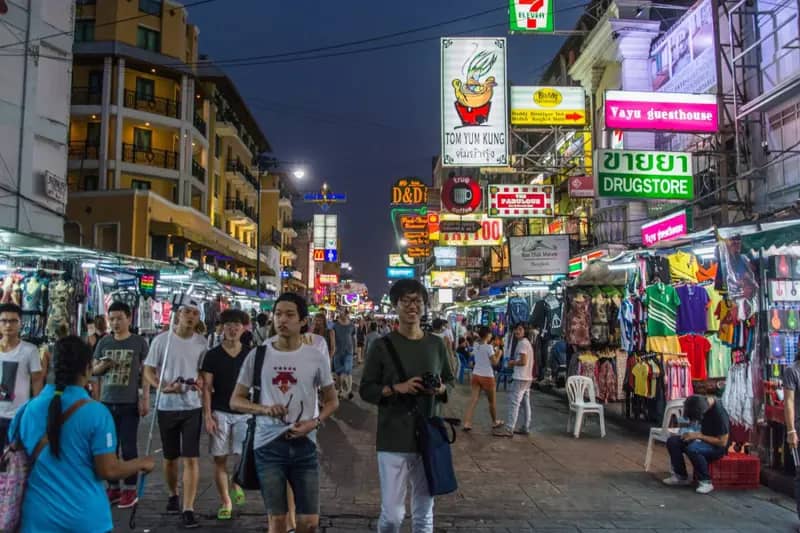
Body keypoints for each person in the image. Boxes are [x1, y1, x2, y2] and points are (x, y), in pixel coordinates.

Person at [8, 336, 155, 533]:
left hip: (37, 518)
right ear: (88, 368)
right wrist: (141, 463)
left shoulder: (26, 410)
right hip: (86, 519)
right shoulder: (97, 413)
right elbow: (108, 470)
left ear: (50, 364)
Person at [231, 292, 339, 533]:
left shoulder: (315, 357)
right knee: (277, 521)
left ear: (303, 321)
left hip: (305, 445)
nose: (282, 320)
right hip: (267, 445)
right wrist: (264, 409)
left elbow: (332, 400)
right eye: (278, 314)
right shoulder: (258, 355)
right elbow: (235, 400)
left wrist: (315, 422)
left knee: (309, 522)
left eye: (290, 314)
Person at [359, 279, 454, 533]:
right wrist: (395, 389)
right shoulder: (382, 346)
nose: (413, 306)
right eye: (406, 301)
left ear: (424, 306)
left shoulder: (436, 345)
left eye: (418, 301)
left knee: (424, 515)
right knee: (392, 515)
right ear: (395, 306)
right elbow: (366, 389)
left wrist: (441, 389)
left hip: (428, 437)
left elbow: (451, 381)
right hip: (393, 437)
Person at [143, 295, 208, 528]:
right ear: (178, 314)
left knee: (191, 457)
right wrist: (161, 386)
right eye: (187, 312)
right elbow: (148, 370)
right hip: (167, 407)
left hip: (192, 406)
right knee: (171, 458)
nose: (191, 317)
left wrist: (199, 381)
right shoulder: (162, 341)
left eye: (195, 314)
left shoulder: (202, 343)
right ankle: (173, 494)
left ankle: (189, 507)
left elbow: (203, 372)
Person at [91, 301, 151, 508]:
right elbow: (94, 373)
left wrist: (145, 399)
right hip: (107, 403)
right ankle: (113, 487)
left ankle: (130, 489)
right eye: (112, 319)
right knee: (109, 447)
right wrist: (103, 366)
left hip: (129, 403)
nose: (115, 323)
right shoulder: (104, 343)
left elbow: (146, 374)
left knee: (129, 447)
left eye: (119, 318)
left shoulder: (139, 343)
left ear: (129, 319)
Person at [200, 309, 251, 520]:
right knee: (220, 459)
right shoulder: (212, 355)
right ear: (222, 328)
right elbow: (206, 387)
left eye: (236, 325)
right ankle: (226, 502)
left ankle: (236, 482)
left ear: (244, 328)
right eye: (228, 325)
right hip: (220, 412)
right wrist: (207, 415)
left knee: (242, 456)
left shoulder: (250, 353)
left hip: (244, 412)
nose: (232, 329)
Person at [663, 394, 730, 494]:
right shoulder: (699, 402)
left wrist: (698, 436)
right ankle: (681, 476)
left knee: (693, 448)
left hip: (716, 447)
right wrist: (685, 432)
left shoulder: (720, 414)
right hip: (701, 439)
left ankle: (706, 481)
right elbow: (687, 423)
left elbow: (722, 442)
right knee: (673, 441)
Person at [0, 302, 43, 450]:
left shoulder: (30, 350)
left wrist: (35, 411)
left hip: (17, 415)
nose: (8, 325)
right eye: (4, 321)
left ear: (20, 323)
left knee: (14, 462)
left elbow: (37, 382)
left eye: (13, 321)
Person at [493, 323, 533, 438]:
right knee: (525, 404)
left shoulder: (522, 344)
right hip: (527, 378)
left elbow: (523, 361)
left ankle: (509, 429)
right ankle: (525, 427)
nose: (517, 331)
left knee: (514, 404)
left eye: (520, 329)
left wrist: (512, 363)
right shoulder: (527, 343)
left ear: (525, 331)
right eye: (516, 329)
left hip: (520, 377)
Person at [462, 326, 503, 431]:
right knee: (492, 402)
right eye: (490, 334)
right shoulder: (488, 347)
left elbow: (476, 355)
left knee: (473, 401)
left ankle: (467, 423)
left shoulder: (476, 345)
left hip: (476, 375)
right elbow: (495, 363)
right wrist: (499, 354)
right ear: (488, 335)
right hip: (487, 377)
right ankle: (494, 422)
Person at [332, 308, 356, 400]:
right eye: (339, 312)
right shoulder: (334, 324)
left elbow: (354, 338)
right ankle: (341, 390)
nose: (341, 314)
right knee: (338, 373)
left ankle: (349, 390)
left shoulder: (352, 325)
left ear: (346, 314)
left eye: (342, 312)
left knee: (347, 370)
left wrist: (355, 350)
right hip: (337, 352)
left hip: (348, 352)